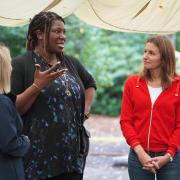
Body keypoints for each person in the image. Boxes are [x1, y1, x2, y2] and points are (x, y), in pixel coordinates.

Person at [11, 11, 96, 180]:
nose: (62, 36)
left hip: (72, 159)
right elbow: (13, 110)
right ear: (40, 34)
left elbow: (90, 84)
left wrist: (84, 113)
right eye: (57, 31)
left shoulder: (70, 62)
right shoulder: (22, 64)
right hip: (38, 162)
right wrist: (37, 86)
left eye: (64, 32)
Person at [120, 36, 180, 180]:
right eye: (145, 51)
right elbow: (125, 121)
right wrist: (140, 153)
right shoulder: (132, 83)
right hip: (138, 156)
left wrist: (168, 155)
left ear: (164, 58)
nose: (145, 56)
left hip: (170, 159)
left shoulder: (178, 86)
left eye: (151, 53)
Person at [0, 43, 30, 180]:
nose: (12, 68)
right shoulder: (2, 103)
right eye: (9, 63)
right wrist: (25, 141)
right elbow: (9, 143)